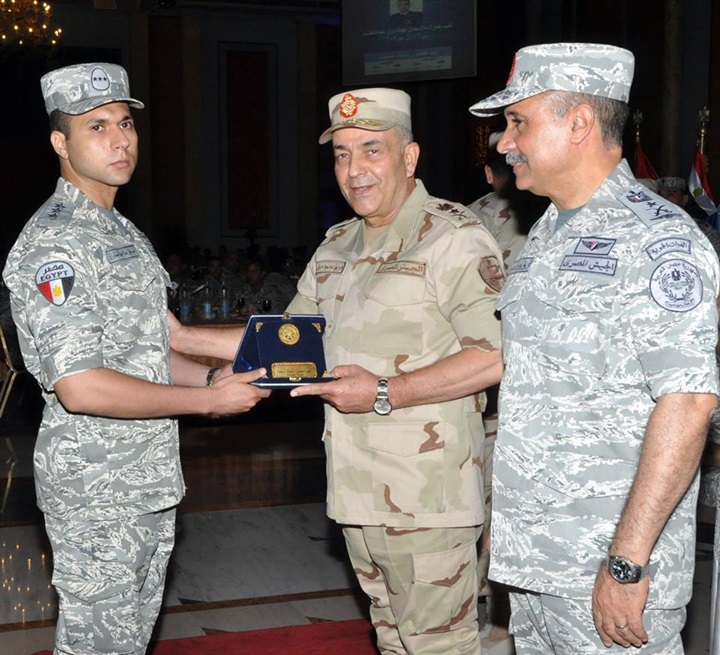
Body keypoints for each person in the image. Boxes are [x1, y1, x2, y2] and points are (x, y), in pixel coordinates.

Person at [2, 62, 270, 655]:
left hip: (144, 482)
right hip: (97, 492)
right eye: (96, 127)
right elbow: (81, 386)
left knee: (128, 642)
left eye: (125, 123)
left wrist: (213, 377)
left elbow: (146, 352)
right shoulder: (57, 244)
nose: (119, 139)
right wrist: (206, 402)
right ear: (60, 143)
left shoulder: (120, 232)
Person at [469, 42, 719, 654]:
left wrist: (627, 562)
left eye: (518, 121)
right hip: (538, 563)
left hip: (607, 571)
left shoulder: (656, 242)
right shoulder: (548, 232)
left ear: (579, 122)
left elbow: (688, 404)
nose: (504, 142)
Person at [287, 87, 505, 654]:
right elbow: (285, 340)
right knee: (392, 639)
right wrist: (184, 340)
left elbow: (495, 356)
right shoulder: (336, 245)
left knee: (439, 647)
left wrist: (384, 390)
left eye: (371, 150)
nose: (354, 170)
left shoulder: (453, 238)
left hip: (426, 499)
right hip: (355, 492)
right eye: (341, 155)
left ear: (409, 157)